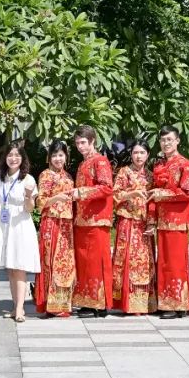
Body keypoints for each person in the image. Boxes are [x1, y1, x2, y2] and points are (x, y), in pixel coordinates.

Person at [0, 142, 40, 323]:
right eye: (10, 155)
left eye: (17, 155)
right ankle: (15, 306)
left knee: (19, 266)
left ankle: (20, 308)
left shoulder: (28, 179)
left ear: (22, 158)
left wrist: (28, 196)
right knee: (10, 268)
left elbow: (30, 208)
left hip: (20, 224)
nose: (13, 158)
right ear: (5, 158)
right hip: (4, 225)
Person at [149, 126, 189, 319]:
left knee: (176, 262)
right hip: (163, 221)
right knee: (165, 262)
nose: (166, 143)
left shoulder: (185, 165)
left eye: (169, 139)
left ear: (177, 141)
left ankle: (178, 304)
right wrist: (152, 219)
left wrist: (161, 193)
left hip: (177, 221)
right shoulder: (160, 165)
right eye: (163, 140)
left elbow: (186, 193)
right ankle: (167, 302)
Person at [71, 125, 114, 318]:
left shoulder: (100, 162)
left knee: (97, 261)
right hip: (83, 220)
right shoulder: (83, 164)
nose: (80, 146)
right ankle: (88, 301)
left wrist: (81, 192)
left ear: (92, 141)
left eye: (83, 142)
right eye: (77, 143)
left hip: (97, 220)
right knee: (85, 262)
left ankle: (100, 304)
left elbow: (106, 188)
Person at [112, 140, 156, 316]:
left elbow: (153, 202)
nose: (138, 156)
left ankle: (143, 302)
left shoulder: (151, 176)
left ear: (148, 155)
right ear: (131, 155)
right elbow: (115, 194)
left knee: (144, 262)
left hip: (144, 223)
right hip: (128, 222)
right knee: (127, 260)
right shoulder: (124, 172)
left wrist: (152, 222)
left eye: (142, 153)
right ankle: (127, 302)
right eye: (136, 152)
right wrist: (132, 193)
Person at [36, 140, 76, 317]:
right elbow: (41, 201)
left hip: (67, 224)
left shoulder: (68, 176)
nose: (58, 159)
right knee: (50, 261)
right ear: (49, 157)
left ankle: (63, 303)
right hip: (51, 223)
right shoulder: (45, 175)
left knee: (65, 263)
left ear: (66, 156)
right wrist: (56, 198)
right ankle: (49, 304)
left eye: (61, 155)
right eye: (54, 155)